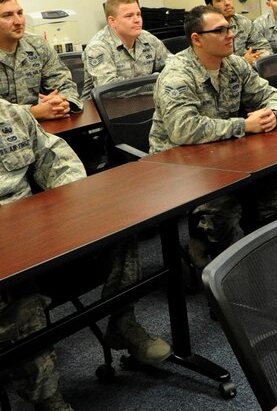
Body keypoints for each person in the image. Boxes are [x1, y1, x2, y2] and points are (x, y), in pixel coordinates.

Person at [0, 98, 170, 411]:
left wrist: (68, 208)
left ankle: (122, 322)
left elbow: (58, 160)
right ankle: (47, 397)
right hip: (7, 263)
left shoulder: (11, 113)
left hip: (36, 232)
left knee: (120, 229)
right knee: (19, 294)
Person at [150, 5, 277, 268]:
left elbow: (270, 94)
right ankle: (225, 267)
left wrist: (274, 113)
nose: (230, 35)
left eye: (229, 28)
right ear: (197, 39)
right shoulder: (177, 74)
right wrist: (244, 125)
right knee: (224, 208)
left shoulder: (234, 64)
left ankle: (219, 243)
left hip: (223, 153)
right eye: (220, 30)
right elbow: (183, 129)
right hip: (177, 164)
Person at [0, 0, 81, 120]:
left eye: (20, 13)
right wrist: (33, 112)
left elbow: (64, 83)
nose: (18, 21)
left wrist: (63, 101)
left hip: (44, 128)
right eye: (7, 15)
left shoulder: (37, 45)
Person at [81, 0, 169, 97]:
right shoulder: (98, 47)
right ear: (112, 21)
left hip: (141, 102)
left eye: (138, 14)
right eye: (129, 16)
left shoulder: (146, 37)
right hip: (101, 109)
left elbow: (173, 65)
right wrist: (153, 83)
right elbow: (108, 89)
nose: (137, 20)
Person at [203, 0, 272, 66]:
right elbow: (212, 63)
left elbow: (265, 49)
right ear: (210, 6)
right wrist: (243, 61)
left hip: (246, 74)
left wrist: (254, 59)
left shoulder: (243, 22)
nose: (227, 3)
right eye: (219, 0)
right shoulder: (207, 30)